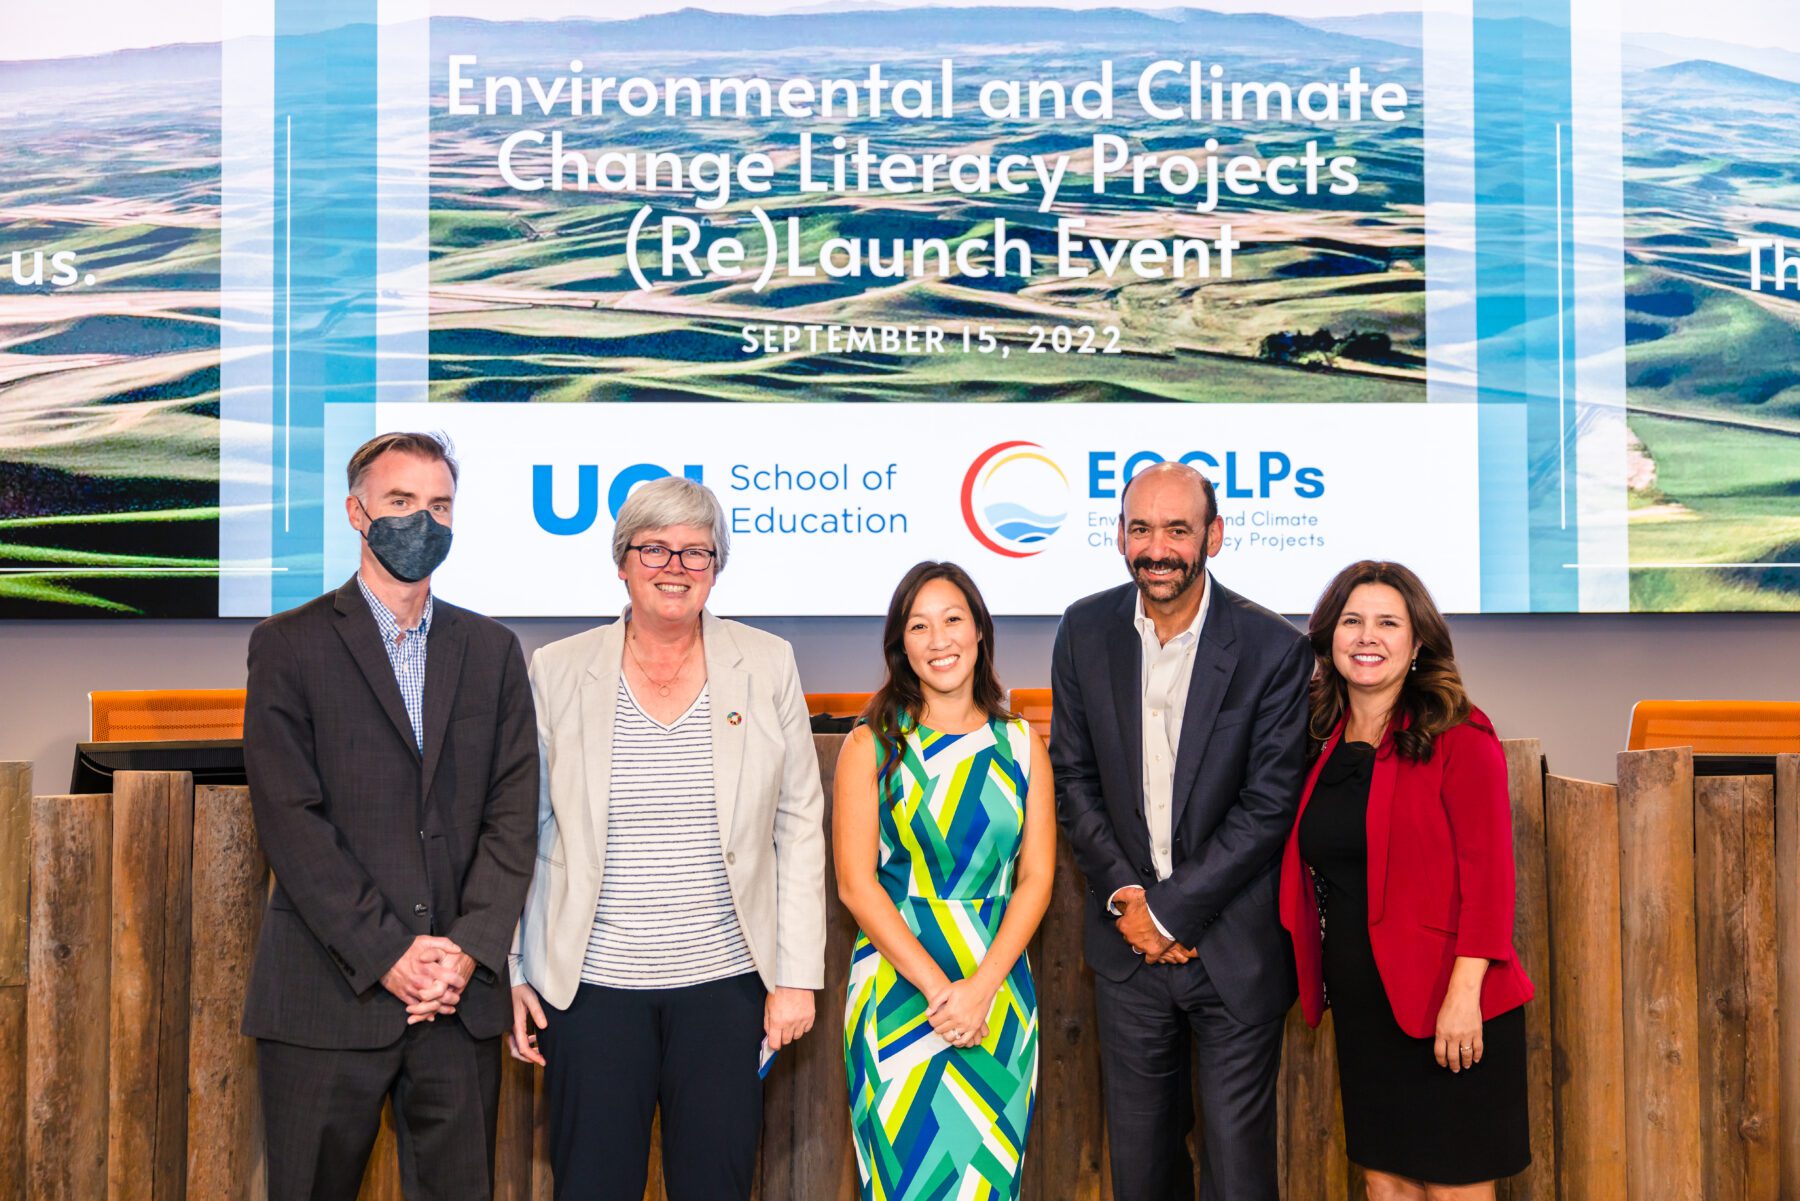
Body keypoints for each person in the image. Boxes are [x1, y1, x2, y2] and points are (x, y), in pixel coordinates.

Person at [506, 475, 827, 1201]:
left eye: (696, 552)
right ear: (622, 561)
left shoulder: (767, 661)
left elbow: (799, 821)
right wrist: (517, 968)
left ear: (716, 567)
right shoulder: (556, 669)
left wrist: (796, 975)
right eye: (655, 549)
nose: (675, 567)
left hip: (725, 986)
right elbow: (525, 828)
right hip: (588, 989)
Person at [242, 431, 539, 1201]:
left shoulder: (494, 650)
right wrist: (389, 953)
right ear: (356, 511)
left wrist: (466, 952)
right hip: (327, 1000)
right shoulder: (288, 645)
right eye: (402, 502)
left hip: (457, 1002)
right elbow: (291, 819)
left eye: (439, 505)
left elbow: (513, 814)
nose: (423, 520)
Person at [1051, 460, 1312, 1201]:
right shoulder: (1084, 630)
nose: (1157, 547)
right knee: (1142, 1176)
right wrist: (1134, 905)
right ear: (1120, 537)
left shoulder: (1274, 650)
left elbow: (1268, 805)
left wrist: (1169, 912)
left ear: (1214, 536)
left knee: (1238, 1177)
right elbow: (1074, 780)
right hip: (1128, 959)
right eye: (1140, 528)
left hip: (1232, 954)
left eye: (1177, 529)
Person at [1279, 561, 1532, 1197]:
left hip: (1452, 1002)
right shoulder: (1318, 740)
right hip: (1367, 1008)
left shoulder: (1458, 732)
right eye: (1353, 621)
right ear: (1329, 637)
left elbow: (1491, 878)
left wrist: (1464, 995)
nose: (1368, 637)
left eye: (1388, 623)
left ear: (1417, 642)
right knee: (1384, 1181)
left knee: (1453, 1186)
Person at [835, 561, 1055, 1201]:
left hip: (998, 991)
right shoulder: (871, 745)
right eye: (919, 626)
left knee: (988, 1184)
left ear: (980, 630)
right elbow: (856, 885)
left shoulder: (1020, 744)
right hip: (899, 993)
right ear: (900, 644)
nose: (939, 640)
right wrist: (941, 991)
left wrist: (981, 990)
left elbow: (1036, 878)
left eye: (953, 619)